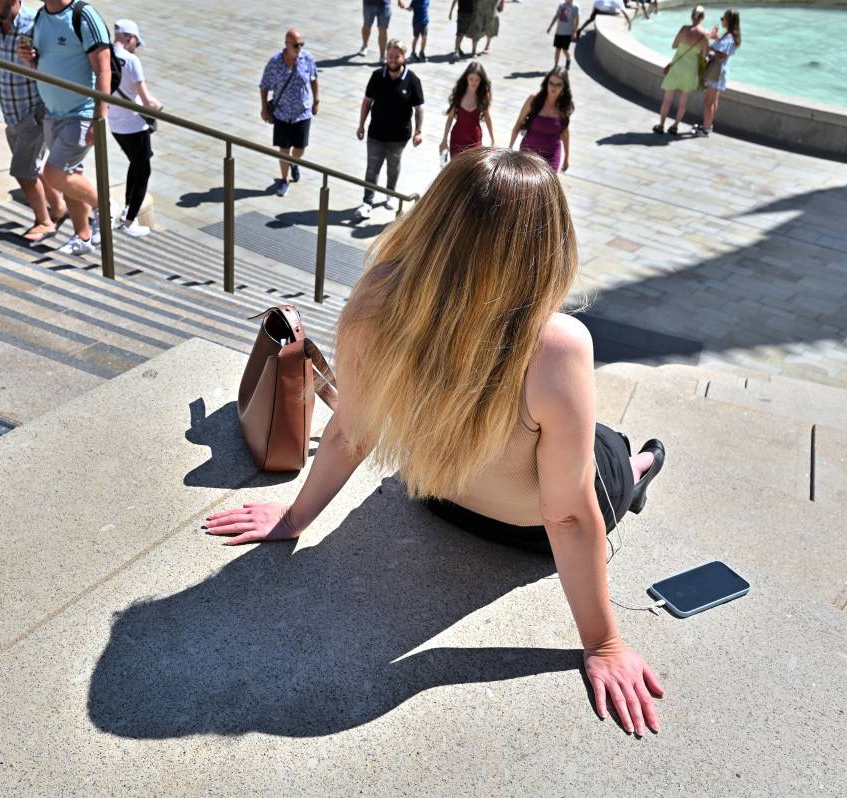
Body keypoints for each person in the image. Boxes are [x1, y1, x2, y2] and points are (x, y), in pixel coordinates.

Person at [205, 148, 668, 739]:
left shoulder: (375, 299)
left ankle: (636, 462)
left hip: (433, 497)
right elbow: (570, 514)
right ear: (545, 246)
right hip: (530, 538)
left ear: (434, 220)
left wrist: (296, 518)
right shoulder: (556, 346)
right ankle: (643, 465)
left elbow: (350, 431)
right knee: (608, 448)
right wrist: (603, 643)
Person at [19, 0, 112, 257]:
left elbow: (104, 70)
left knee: (54, 174)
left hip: (80, 113)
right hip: (53, 113)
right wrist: (29, 60)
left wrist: (99, 117)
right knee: (72, 175)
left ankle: (106, 208)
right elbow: (44, 63)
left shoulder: (83, 15)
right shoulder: (41, 16)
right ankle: (82, 236)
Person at [0, 0, 66, 244]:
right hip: (10, 111)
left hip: (36, 110)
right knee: (34, 166)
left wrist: (37, 59)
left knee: (23, 171)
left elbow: (57, 65)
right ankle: (59, 206)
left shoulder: (36, 23)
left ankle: (44, 221)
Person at [354, 39, 424, 222]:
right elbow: (367, 102)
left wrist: (419, 131)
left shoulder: (412, 80)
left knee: (393, 167)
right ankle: (367, 203)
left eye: (396, 56)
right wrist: (361, 125)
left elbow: (419, 108)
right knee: (372, 168)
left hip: (399, 136)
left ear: (403, 57)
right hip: (376, 132)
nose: (392, 59)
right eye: (390, 55)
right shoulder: (377, 76)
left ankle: (390, 194)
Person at [109, 18, 162, 237]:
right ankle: (129, 222)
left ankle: (127, 208)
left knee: (136, 161)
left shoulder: (104, 54)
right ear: (130, 38)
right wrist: (159, 106)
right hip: (133, 124)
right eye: (136, 43)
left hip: (113, 123)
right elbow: (147, 100)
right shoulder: (131, 61)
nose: (136, 47)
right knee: (144, 171)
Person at [259, 28, 319, 199]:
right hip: (282, 113)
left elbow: (314, 79)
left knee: (300, 149)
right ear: (286, 44)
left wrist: (316, 101)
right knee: (283, 149)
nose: (299, 48)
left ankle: (294, 163)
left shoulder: (307, 59)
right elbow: (264, 86)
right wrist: (264, 108)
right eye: (295, 45)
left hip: (302, 113)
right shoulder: (275, 62)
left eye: (301, 44)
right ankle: (284, 180)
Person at [652, 5, 707, 135]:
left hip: (677, 66)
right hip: (691, 69)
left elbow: (674, 45)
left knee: (667, 99)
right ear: (702, 18)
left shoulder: (684, 29)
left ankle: (661, 125)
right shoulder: (705, 35)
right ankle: (675, 126)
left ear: (691, 15)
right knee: (683, 100)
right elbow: (704, 56)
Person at [509, 67, 573, 173]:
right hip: (528, 154)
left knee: (546, 188)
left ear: (564, 86)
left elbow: (565, 132)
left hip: (551, 157)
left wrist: (567, 158)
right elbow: (518, 124)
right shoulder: (534, 100)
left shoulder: (564, 106)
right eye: (551, 83)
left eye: (558, 84)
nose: (554, 87)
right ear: (546, 83)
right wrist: (510, 148)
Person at [693, 8, 739, 137]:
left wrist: (708, 44)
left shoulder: (729, 37)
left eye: (722, 18)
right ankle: (708, 125)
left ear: (728, 20)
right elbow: (723, 51)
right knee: (713, 100)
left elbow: (721, 54)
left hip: (716, 70)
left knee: (709, 101)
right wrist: (716, 38)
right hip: (720, 70)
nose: (721, 20)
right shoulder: (730, 36)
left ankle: (705, 128)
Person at [439, 61, 494, 161]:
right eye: (471, 79)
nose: (474, 82)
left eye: (477, 80)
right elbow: (450, 119)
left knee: (472, 169)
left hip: (474, 139)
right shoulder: (459, 93)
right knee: (456, 169)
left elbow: (488, 119)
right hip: (457, 138)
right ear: (466, 78)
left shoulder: (483, 95)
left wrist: (493, 140)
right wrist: (444, 140)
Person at [547, 0, 580, 70]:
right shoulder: (561, 5)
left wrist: (574, 32)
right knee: (557, 49)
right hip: (559, 31)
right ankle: (555, 65)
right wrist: (550, 26)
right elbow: (556, 16)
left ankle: (568, 59)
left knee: (565, 49)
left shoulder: (575, 7)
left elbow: (577, 21)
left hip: (567, 33)